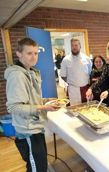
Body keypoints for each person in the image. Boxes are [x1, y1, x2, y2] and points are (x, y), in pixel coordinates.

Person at [4, 37, 60, 172]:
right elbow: (14, 107)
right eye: (29, 53)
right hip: (27, 130)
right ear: (19, 54)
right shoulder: (17, 75)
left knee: (40, 164)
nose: (34, 57)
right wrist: (43, 107)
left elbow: (31, 100)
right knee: (37, 168)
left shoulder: (30, 71)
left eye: (36, 53)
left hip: (35, 126)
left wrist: (45, 101)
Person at [60, 38, 92, 105]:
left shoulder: (86, 58)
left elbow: (90, 72)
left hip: (85, 88)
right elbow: (63, 75)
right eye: (72, 45)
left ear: (80, 46)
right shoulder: (65, 60)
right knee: (74, 108)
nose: (74, 47)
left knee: (86, 107)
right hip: (73, 89)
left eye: (76, 45)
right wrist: (72, 82)